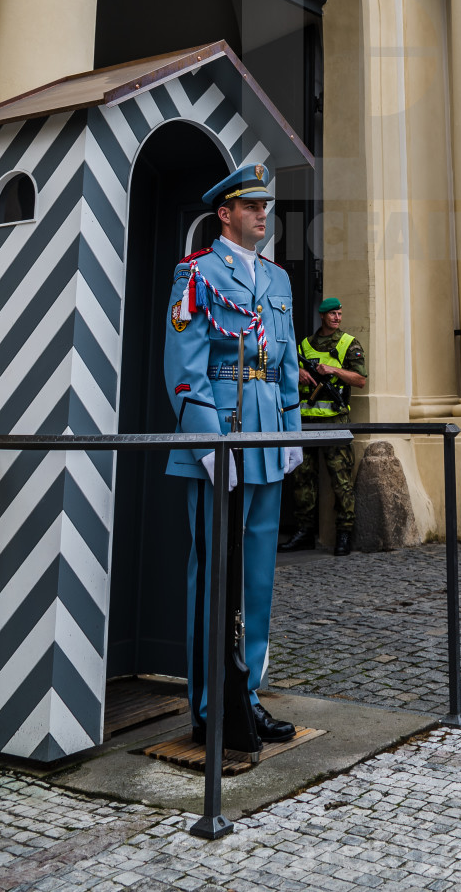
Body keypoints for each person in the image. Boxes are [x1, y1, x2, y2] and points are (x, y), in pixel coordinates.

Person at [163, 162, 302, 745]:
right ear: (225, 215)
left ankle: (247, 695)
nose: (262, 214)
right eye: (251, 207)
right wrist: (207, 442)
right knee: (214, 570)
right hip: (221, 429)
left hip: (267, 432)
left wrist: (291, 431)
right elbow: (184, 367)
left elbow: (287, 360)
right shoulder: (195, 273)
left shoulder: (278, 281)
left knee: (258, 574)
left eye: (264, 206)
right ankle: (207, 704)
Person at [279, 296, 367, 557]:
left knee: (341, 479)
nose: (337, 318)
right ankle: (304, 531)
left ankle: (344, 533)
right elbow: (285, 371)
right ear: (322, 315)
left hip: (335, 423)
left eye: (340, 314)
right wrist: (299, 374)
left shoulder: (348, 343)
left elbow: (360, 380)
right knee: (302, 477)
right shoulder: (304, 345)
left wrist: (333, 370)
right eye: (333, 314)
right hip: (305, 422)